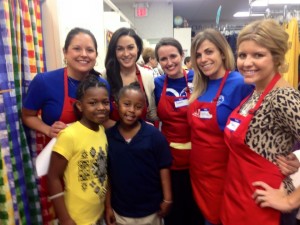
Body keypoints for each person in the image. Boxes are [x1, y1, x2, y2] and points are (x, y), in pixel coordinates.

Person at [21, 27, 109, 224]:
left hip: (88, 163)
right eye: (77, 49)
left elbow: (104, 120)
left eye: (90, 50)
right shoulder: (44, 81)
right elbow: (27, 115)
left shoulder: (102, 85)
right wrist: (47, 129)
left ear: (96, 55)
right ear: (65, 52)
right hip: (57, 161)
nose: (84, 55)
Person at [220, 19, 300, 225]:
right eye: (243, 55)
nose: (247, 63)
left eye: (258, 55)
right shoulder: (256, 92)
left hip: (264, 209)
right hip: (237, 200)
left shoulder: (284, 97)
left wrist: (291, 200)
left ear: (276, 57)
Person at [187, 28, 253, 225]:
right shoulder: (198, 84)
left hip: (225, 174)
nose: (203, 59)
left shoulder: (241, 83)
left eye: (209, 52)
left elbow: (252, 131)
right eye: (198, 55)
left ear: (223, 53)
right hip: (198, 173)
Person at [105, 82, 172, 225]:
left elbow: (164, 167)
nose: (131, 110)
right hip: (121, 211)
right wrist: (108, 206)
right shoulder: (108, 137)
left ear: (144, 109)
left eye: (138, 107)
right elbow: (107, 175)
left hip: (151, 210)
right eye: (127, 104)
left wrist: (167, 198)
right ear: (117, 104)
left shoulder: (154, 136)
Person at [154, 37, 204, 225]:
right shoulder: (158, 83)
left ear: (182, 55)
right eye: (163, 59)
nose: (169, 62)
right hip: (170, 157)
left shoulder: (198, 78)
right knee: (174, 211)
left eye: (173, 56)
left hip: (198, 157)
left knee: (196, 209)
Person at [47, 74, 109, 225]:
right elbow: (52, 177)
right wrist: (65, 218)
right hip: (76, 218)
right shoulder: (69, 135)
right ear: (80, 106)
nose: (101, 107)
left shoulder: (101, 130)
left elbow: (104, 172)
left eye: (105, 102)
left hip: (98, 214)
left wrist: (107, 208)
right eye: (93, 103)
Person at [104, 27, 157, 127]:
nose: (126, 54)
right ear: (114, 51)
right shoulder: (105, 76)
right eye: (120, 49)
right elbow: (100, 118)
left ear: (138, 49)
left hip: (141, 139)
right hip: (111, 138)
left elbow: (152, 115)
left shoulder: (147, 76)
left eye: (130, 47)